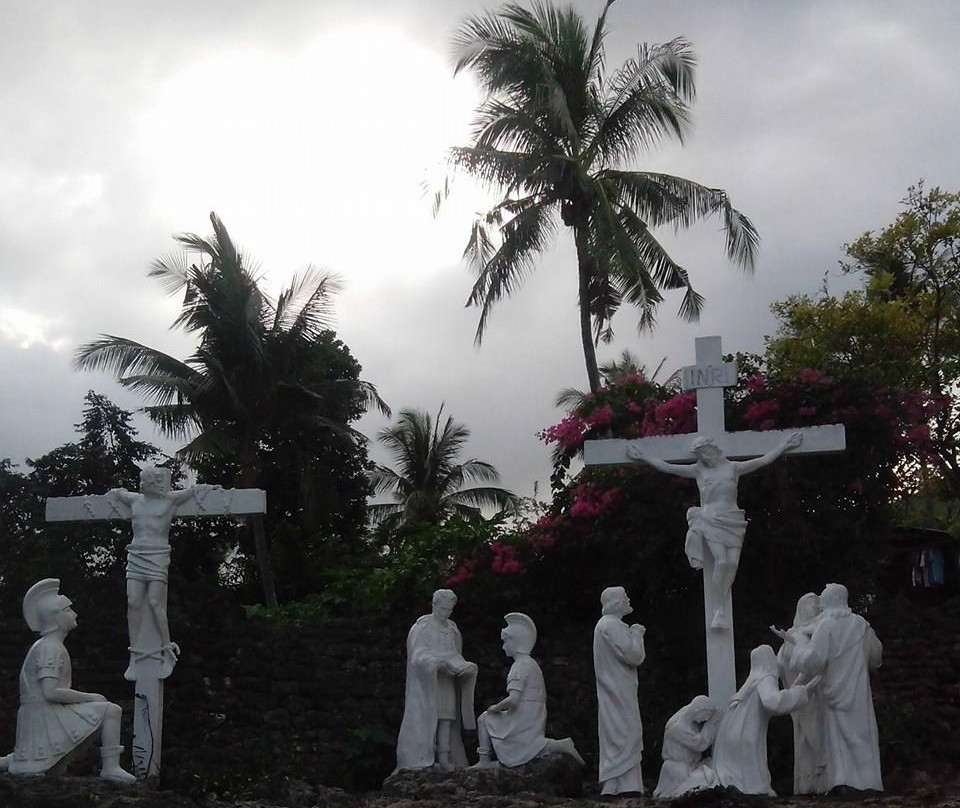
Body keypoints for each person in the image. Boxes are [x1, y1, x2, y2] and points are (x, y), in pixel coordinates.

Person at [627, 432, 802, 628]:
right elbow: (669, 467)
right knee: (722, 560)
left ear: (713, 449)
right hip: (710, 519)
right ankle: (719, 610)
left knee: (732, 564)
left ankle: (721, 604)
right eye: (700, 455)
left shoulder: (733, 468)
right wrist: (643, 456)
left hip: (733, 519)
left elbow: (762, 461)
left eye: (704, 453)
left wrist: (784, 445)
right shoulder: (699, 471)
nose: (703, 458)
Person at [0, 579, 136, 783]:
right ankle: (110, 766)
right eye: (68, 609)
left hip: (43, 714)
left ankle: (24, 759)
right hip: (44, 715)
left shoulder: (49, 645)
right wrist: (89, 697)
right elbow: (51, 692)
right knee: (110, 710)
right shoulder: (50, 648)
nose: (74, 614)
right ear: (56, 617)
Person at [108, 466, 220, 680]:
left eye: (146, 481)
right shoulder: (135, 500)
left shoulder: (170, 500)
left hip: (158, 555)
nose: (142, 484)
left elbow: (195, 491)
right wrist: (113, 492)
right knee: (133, 602)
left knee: (154, 602)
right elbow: (117, 493)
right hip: (136, 555)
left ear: (155, 483)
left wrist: (211, 488)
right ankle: (135, 656)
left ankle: (167, 650)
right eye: (142, 480)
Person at [793, 583, 883, 792]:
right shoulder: (862, 625)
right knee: (862, 735)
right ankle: (868, 782)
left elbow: (813, 661)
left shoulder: (827, 626)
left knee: (838, 740)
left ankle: (843, 781)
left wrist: (799, 646)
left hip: (833, 692)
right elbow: (876, 657)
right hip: (859, 692)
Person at [473, 613, 583, 769]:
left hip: (523, 714)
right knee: (529, 743)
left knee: (484, 718)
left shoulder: (519, 666)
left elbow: (514, 700)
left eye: (505, 642)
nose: (503, 647)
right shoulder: (531, 663)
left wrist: (495, 708)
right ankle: (558, 745)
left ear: (516, 642)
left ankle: (484, 760)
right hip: (534, 713)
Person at [712, 645, 820, 795]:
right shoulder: (765, 678)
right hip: (747, 731)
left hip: (733, 732)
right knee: (751, 766)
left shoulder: (752, 680)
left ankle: (745, 789)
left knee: (740, 769)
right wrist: (802, 692)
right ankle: (755, 790)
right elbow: (773, 703)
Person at [396, 589, 478, 770]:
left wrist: (464, 666)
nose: (446, 613)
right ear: (434, 605)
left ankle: (445, 756)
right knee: (428, 718)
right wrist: (434, 662)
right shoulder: (423, 627)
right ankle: (427, 755)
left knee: (447, 717)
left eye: (449, 610)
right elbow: (417, 655)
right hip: (428, 683)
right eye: (443, 609)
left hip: (447, 680)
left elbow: (456, 653)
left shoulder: (452, 629)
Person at [593, 586, 646, 794]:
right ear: (615, 603)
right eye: (625, 597)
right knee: (625, 730)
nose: (628, 600)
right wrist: (637, 634)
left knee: (616, 731)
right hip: (618, 688)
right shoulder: (611, 625)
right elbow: (634, 656)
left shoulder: (606, 625)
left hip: (615, 688)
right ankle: (620, 782)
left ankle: (618, 782)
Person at [771, 592, 825, 794]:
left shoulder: (817, 630)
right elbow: (781, 662)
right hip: (796, 691)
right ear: (801, 608)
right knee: (803, 735)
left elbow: (816, 658)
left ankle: (820, 775)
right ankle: (807, 783)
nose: (816, 607)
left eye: (818, 604)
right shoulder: (795, 631)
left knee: (814, 730)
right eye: (812, 604)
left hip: (814, 691)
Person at [654, 695, 719, 798]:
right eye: (705, 715)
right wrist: (710, 724)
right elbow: (699, 745)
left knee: (712, 768)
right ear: (697, 710)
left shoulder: (690, 723)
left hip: (689, 765)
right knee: (705, 777)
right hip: (678, 770)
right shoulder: (677, 728)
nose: (705, 719)